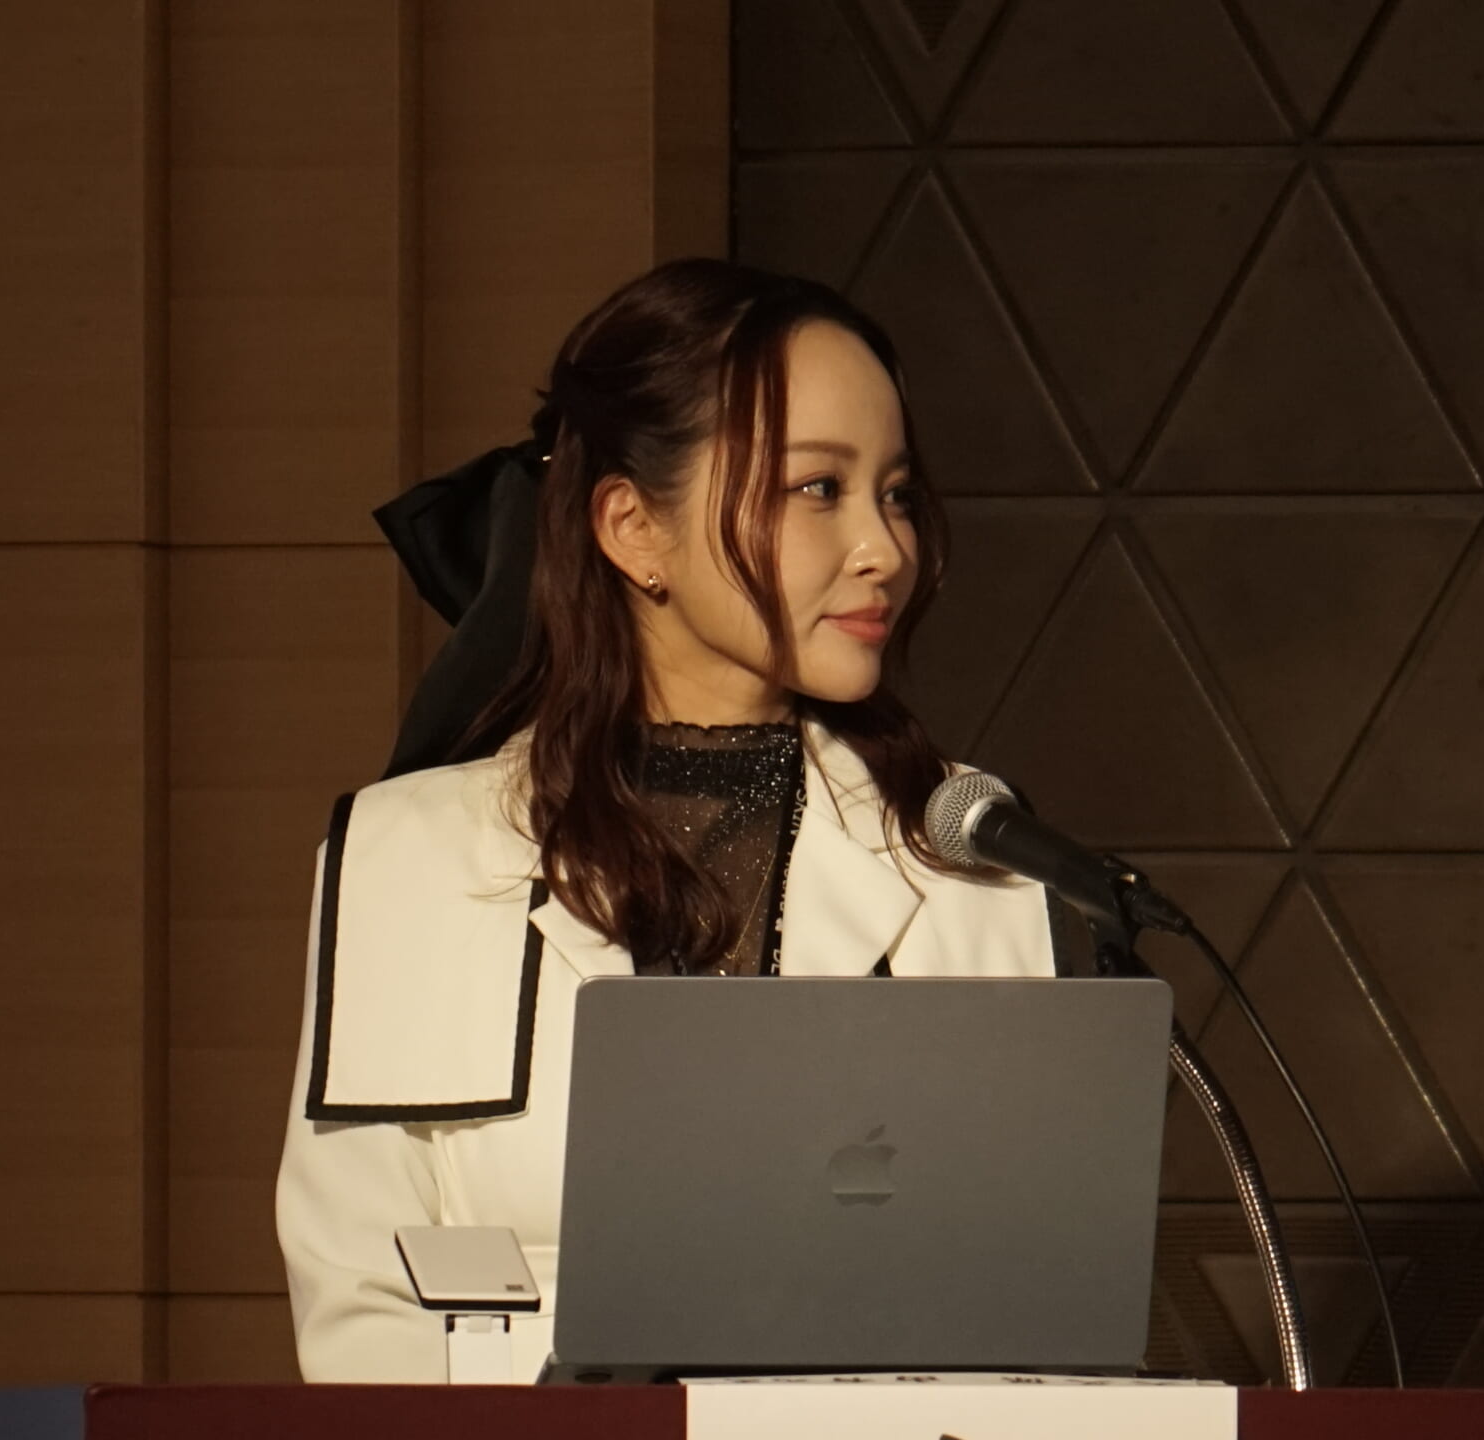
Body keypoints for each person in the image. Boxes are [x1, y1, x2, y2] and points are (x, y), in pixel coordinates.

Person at [275, 259, 1073, 1383]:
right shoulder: (407, 861)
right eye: (817, 488)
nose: (885, 549)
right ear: (632, 528)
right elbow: (365, 1309)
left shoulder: (971, 857)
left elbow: (1025, 1312)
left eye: (894, 493)